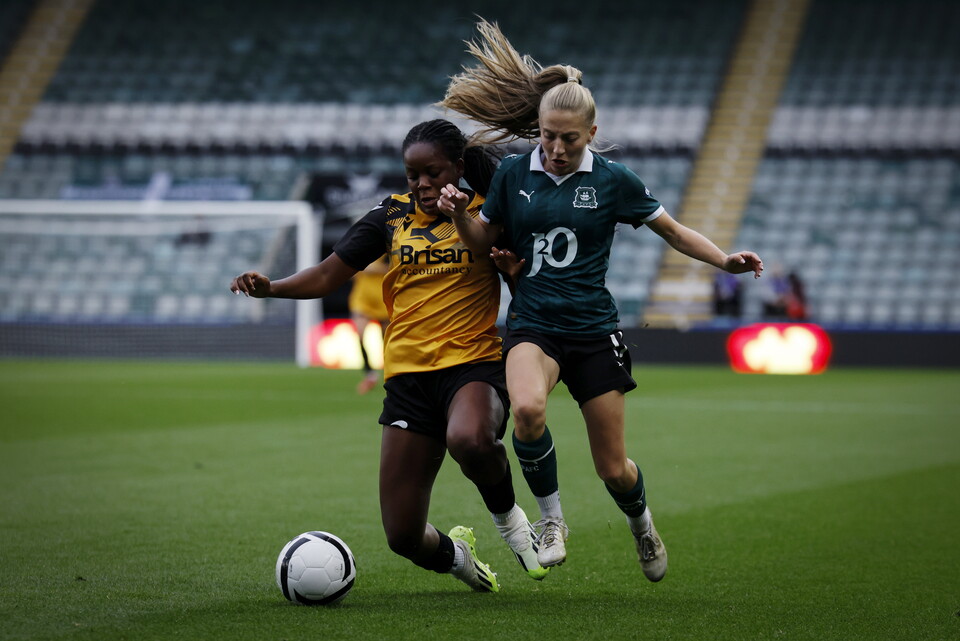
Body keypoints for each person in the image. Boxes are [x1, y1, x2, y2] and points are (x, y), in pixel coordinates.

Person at [437, 19, 764, 582]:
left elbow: (673, 231)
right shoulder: (513, 173)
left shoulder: (614, 181)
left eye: (569, 138)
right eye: (548, 136)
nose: (557, 149)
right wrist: (459, 217)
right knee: (528, 412)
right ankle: (552, 522)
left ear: (592, 132)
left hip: (592, 329)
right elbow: (482, 240)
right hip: (533, 322)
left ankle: (642, 525)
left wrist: (723, 260)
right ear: (538, 129)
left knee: (613, 468)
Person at [230, 119, 549, 592]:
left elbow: (527, 287)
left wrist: (515, 277)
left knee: (470, 439)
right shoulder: (390, 215)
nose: (422, 184)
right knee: (402, 536)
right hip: (408, 380)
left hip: (472, 364)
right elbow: (328, 274)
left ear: (458, 168)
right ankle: (460, 557)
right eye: (412, 174)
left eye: (433, 173)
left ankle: (512, 522)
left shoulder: (487, 213)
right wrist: (271, 288)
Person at [348, 254, 389, 394]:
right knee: (359, 334)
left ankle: (390, 373)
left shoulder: (389, 248)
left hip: (382, 298)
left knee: (387, 340)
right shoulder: (359, 249)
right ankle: (370, 375)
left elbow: (399, 269)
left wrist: (377, 268)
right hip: (362, 300)